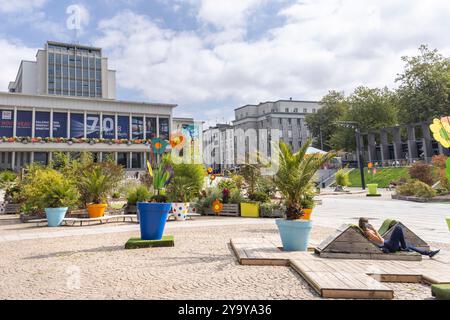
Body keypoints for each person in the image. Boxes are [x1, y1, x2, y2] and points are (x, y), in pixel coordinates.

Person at [358, 218, 440, 258]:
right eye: (367, 223)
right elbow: (379, 241)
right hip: (388, 245)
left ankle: (429, 253)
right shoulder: (368, 232)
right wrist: (375, 229)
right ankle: (404, 247)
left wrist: (373, 229)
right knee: (398, 228)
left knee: (409, 246)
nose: (368, 224)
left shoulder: (368, 230)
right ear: (364, 224)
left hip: (388, 244)